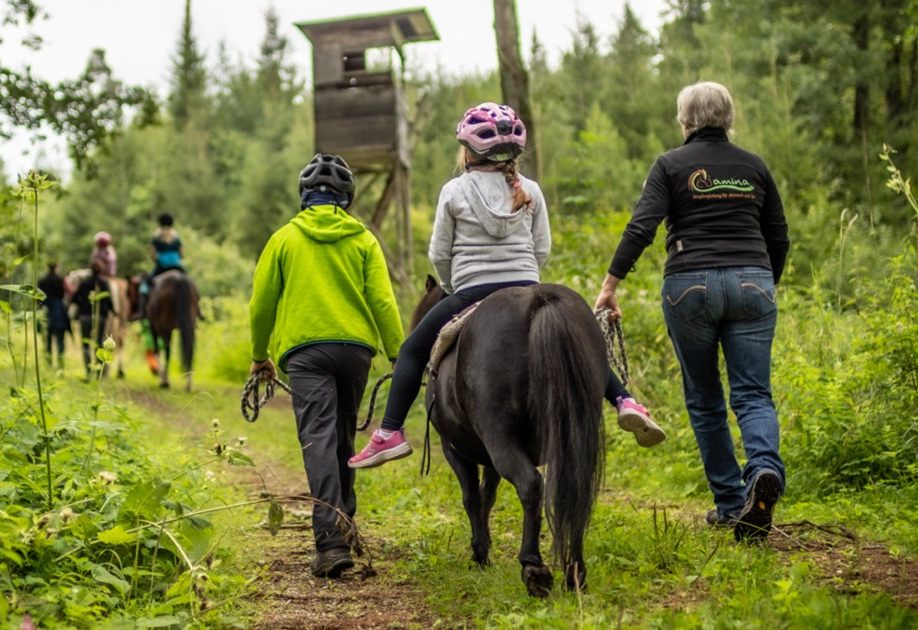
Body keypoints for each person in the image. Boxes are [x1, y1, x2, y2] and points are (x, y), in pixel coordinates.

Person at [349, 102, 664, 470]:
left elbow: (439, 252)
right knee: (581, 342)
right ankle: (625, 400)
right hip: (528, 284)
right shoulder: (530, 188)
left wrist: (454, 287)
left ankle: (390, 432)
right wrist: (527, 280)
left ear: (467, 150)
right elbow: (542, 246)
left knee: (412, 350)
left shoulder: (454, 191)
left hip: (471, 289)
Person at [595, 82, 790, 542]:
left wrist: (610, 284)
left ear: (684, 122)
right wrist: (763, 284)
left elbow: (642, 226)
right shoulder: (754, 166)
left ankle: (729, 503)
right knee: (754, 395)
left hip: (689, 285)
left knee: (705, 399)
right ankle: (763, 471)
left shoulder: (670, 164)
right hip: (752, 282)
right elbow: (778, 235)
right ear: (728, 119)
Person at [248, 153, 404, 578]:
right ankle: (345, 521)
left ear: (304, 196)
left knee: (318, 438)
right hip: (354, 351)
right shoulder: (363, 240)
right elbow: (383, 303)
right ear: (347, 198)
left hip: (306, 353)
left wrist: (260, 355)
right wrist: (399, 356)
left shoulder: (284, 238)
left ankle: (330, 541)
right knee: (340, 438)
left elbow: (261, 304)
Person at [139, 214, 185, 371]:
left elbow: (153, 254)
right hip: (176, 266)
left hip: (161, 267)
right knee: (190, 286)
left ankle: (143, 311)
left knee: (144, 287)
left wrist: (159, 258)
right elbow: (181, 253)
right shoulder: (176, 236)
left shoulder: (157, 236)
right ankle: (197, 312)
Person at [70, 261, 115, 380]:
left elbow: (74, 298)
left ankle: (89, 371)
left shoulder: (84, 282)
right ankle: (99, 372)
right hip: (100, 317)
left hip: (85, 316)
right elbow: (109, 300)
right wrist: (113, 311)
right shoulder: (104, 283)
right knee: (99, 343)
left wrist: (83, 304)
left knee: (85, 344)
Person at [37, 262, 71, 367]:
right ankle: (60, 362)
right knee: (60, 339)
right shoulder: (61, 279)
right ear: (56, 268)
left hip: (46, 310)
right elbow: (70, 290)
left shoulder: (42, 281)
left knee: (47, 339)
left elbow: (37, 298)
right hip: (59, 310)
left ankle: (49, 362)